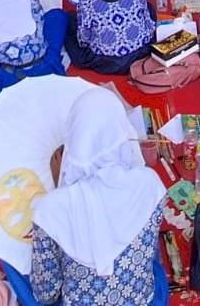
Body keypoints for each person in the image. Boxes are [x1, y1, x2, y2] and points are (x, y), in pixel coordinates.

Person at [29, 88, 165, 306]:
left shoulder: (49, 209)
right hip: (144, 299)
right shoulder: (150, 185)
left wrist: (59, 189)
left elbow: (46, 294)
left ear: (74, 140)